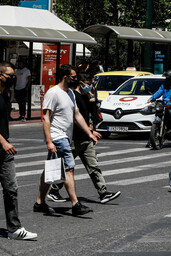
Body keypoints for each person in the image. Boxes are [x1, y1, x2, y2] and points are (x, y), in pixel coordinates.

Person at [33, 65, 98, 216]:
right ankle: (76, 204)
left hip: (65, 137)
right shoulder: (53, 93)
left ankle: (39, 203)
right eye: (73, 77)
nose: (76, 80)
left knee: (50, 170)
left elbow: (77, 115)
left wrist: (89, 133)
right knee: (69, 168)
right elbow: (46, 117)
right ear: (65, 77)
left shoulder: (70, 93)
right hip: (57, 136)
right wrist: (49, 141)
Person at [47, 73, 121, 204]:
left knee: (93, 166)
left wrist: (92, 100)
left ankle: (103, 193)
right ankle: (53, 190)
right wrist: (89, 131)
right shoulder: (73, 96)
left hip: (86, 139)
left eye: (91, 83)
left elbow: (93, 115)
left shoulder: (88, 96)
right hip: (74, 138)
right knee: (66, 167)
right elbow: (75, 118)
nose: (90, 86)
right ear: (81, 83)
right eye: (87, 83)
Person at [0, 62, 37, 240]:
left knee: (11, 189)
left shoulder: (5, 94)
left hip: (3, 152)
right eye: (10, 76)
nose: (12, 79)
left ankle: (14, 229)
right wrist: (3, 142)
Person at [147, 69, 171, 140]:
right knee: (158, 115)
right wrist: (152, 98)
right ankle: (152, 139)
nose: (166, 79)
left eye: (168, 78)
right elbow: (159, 92)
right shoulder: (164, 86)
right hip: (164, 105)